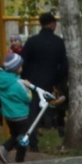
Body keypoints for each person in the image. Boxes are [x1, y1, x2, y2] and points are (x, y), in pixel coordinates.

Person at [18, 11, 70, 146]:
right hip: (50, 81)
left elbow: (22, 62)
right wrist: (56, 80)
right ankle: (51, 125)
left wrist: (25, 78)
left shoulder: (31, 41)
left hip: (32, 81)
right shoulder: (59, 42)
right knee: (48, 109)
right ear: (52, 24)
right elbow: (64, 65)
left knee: (32, 112)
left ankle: (31, 140)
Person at [0, 51, 36, 163]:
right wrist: (28, 88)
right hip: (21, 115)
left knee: (15, 135)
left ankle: (4, 149)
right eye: (20, 66)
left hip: (8, 115)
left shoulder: (1, 81)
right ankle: (19, 159)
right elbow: (28, 98)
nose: (22, 67)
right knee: (24, 137)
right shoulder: (18, 84)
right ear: (16, 68)